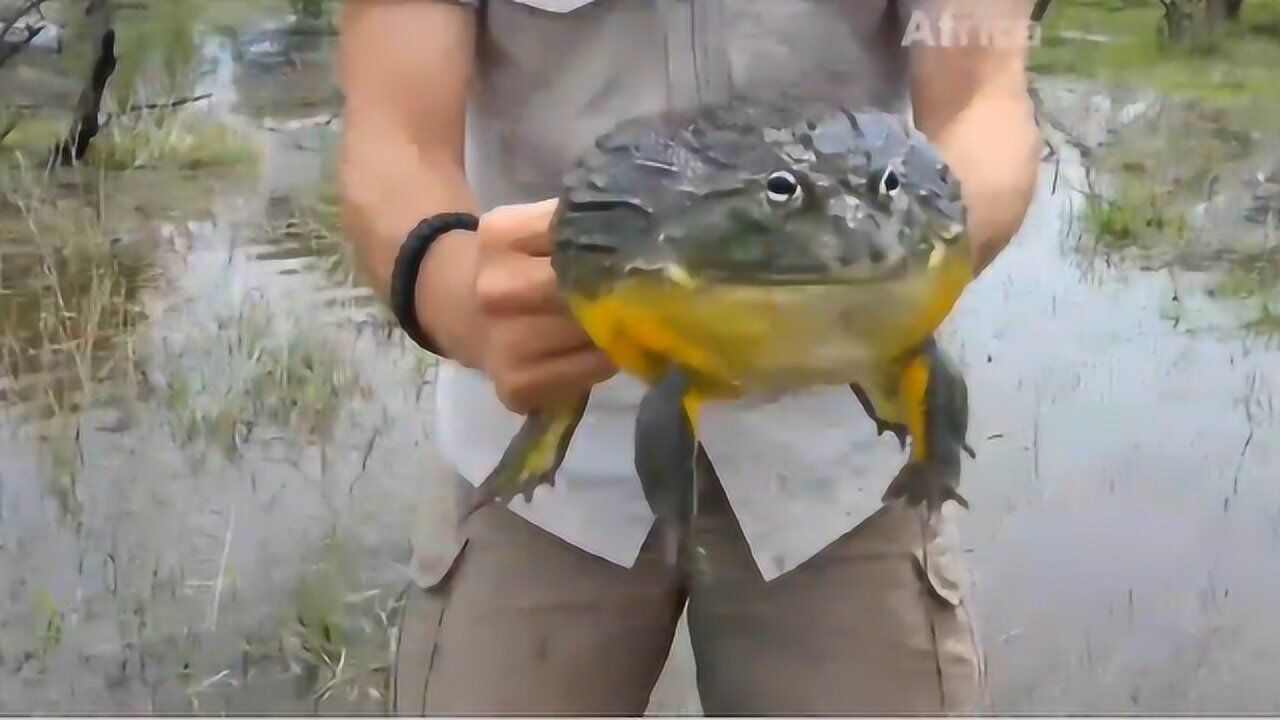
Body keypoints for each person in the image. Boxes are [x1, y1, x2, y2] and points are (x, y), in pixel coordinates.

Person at [338, 0, 1040, 714]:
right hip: (548, 442)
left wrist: (921, 266)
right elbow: (395, 138)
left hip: (841, 456)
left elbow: (982, 92)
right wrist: (456, 293)